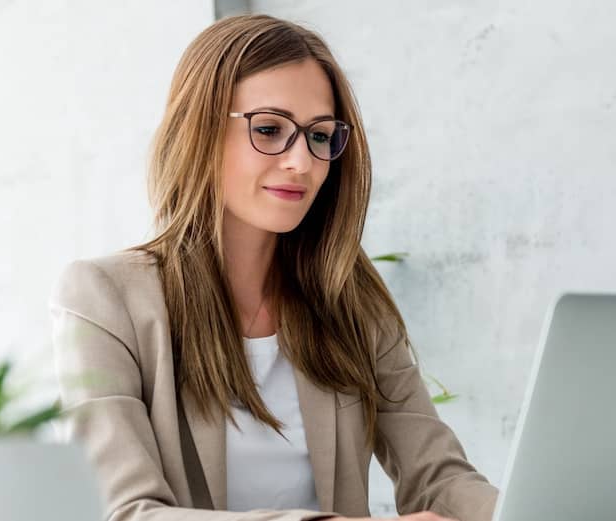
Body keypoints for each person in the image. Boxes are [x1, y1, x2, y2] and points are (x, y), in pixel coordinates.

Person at [50, 14, 499, 521]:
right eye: (269, 129)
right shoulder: (104, 298)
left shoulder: (349, 298)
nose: (302, 163)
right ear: (199, 129)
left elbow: (438, 477)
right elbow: (126, 513)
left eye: (320, 136)